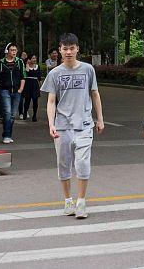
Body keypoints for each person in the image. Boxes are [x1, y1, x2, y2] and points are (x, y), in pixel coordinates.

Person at [43, 32, 105, 219]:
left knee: (82, 163)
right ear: (60, 50)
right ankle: (68, 200)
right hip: (62, 126)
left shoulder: (88, 69)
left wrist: (100, 118)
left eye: (72, 48)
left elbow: (95, 94)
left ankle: (81, 201)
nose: (68, 52)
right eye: (65, 48)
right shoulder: (55, 73)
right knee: (63, 164)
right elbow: (51, 101)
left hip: (84, 124)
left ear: (78, 49)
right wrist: (51, 124)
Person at [0, 43, 26, 144]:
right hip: (5, 90)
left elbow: (23, 76)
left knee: (13, 114)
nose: (13, 52)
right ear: (7, 51)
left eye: (15, 50)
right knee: (7, 112)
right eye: (11, 50)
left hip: (16, 90)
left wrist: (20, 89)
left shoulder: (19, 62)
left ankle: (8, 134)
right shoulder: (1, 63)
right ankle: (6, 135)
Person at [21, 55, 42, 122]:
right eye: (32, 58)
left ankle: (34, 115)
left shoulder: (37, 66)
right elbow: (26, 72)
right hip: (28, 84)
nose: (34, 59)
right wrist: (27, 63)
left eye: (35, 58)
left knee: (35, 100)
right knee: (27, 100)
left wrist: (40, 85)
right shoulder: (26, 66)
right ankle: (25, 112)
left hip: (35, 84)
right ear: (29, 59)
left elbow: (39, 77)